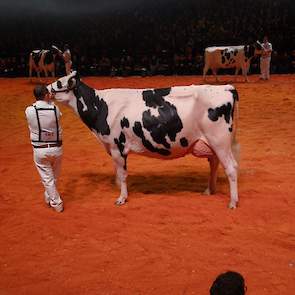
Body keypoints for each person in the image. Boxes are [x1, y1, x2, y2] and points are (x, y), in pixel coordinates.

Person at [25, 85, 64, 212]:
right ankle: (49, 198)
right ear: (47, 95)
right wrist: (50, 100)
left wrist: (46, 99)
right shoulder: (55, 109)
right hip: (57, 149)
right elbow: (56, 111)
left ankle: (57, 203)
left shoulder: (30, 110)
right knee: (53, 177)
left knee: (48, 178)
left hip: (40, 149)